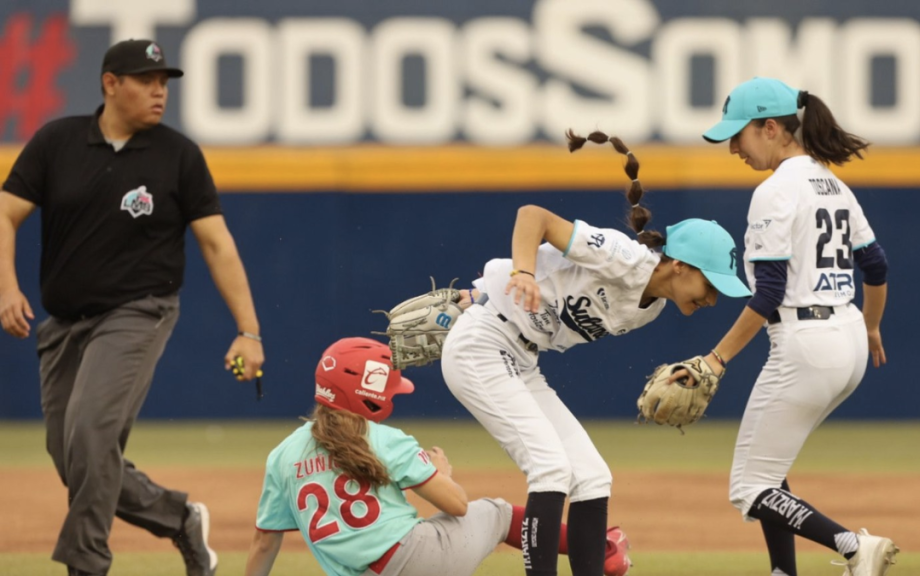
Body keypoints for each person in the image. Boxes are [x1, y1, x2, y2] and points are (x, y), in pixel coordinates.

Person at [0, 39, 264, 576]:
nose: (159, 91)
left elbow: (218, 245)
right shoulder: (57, 141)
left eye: (164, 82)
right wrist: (7, 286)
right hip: (64, 325)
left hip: (138, 313)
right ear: (110, 83)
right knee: (74, 457)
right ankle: (178, 517)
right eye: (146, 80)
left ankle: (87, 564)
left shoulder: (177, 154)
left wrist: (249, 331)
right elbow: (4, 214)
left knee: (92, 432)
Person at [438, 131, 752, 576]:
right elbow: (534, 216)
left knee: (591, 475)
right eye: (711, 284)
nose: (713, 299)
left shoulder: (651, 310)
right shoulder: (623, 257)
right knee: (549, 468)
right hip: (484, 344)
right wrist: (520, 275)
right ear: (680, 265)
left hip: (521, 359)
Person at [691, 77, 897, 576]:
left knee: (748, 486)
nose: (733, 149)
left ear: (769, 128)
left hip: (806, 344)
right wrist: (869, 327)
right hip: (846, 338)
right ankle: (784, 571)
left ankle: (852, 545)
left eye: (737, 136)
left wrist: (715, 359)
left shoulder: (775, 190)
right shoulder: (833, 184)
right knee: (770, 469)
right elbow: (876, 266)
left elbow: (769, 293)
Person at [244, 336, 633, 576]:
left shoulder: (282, 456)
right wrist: (441, 472)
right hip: (419, 562)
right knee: (496, 512)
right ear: (366, 392)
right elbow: (457, 505)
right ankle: (603, 551)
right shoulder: (382, 438)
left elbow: (265, 542)